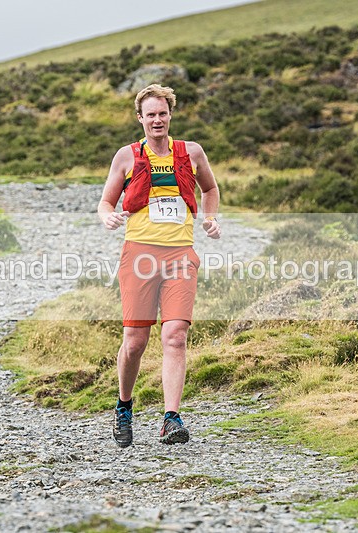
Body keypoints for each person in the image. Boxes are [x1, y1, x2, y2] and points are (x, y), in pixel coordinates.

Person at [98, 83, 221, 447]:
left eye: (162, 113)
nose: (157, 120)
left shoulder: (192, 152)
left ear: (171, 115)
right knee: (135, 341)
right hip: (138, 255)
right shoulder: (126, 156)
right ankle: (124, 406)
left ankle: (171, 418)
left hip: (181, 254)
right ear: (140, 118)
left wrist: (211, 218)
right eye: (150, 114)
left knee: (175, 334)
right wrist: (107, 217)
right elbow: (105, 202)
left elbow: (210, 190)